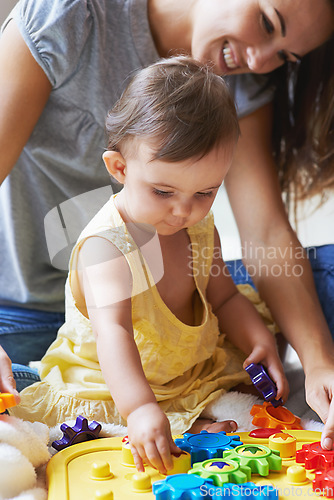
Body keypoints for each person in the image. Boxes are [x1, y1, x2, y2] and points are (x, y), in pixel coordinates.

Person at [0, 0, 333, 449]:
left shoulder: (196, 221)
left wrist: (283, 348)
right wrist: (140, 410)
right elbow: (113, 333)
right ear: (118, 168)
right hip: (54, 330)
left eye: (205, 192)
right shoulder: (109, 245)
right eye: (268, 23)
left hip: (174, 344)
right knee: (30, 401)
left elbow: (227, 291)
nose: (183, 210)